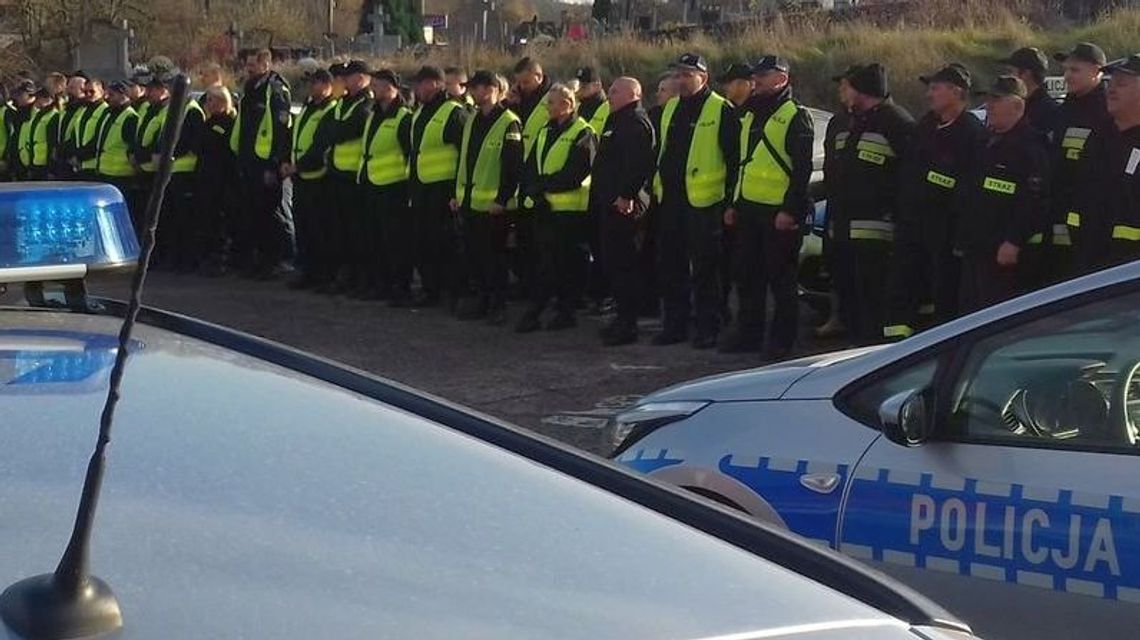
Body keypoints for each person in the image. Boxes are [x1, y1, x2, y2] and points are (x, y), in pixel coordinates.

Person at [719, 56, 814, 359]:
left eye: (764, 75)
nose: (756, 80)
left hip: (777, 214)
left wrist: (790, 210)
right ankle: (749, 334)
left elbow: (802, 170)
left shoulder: (794, 115)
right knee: (747, 277)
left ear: (782, 79)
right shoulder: (750, 113)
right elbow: (744, 163)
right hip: (749, 210)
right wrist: (735, 202)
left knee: (781, 281)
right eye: (755, 75)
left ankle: (782, 341)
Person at [883, 64, 986, 340]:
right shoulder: (925, 126)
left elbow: (967, 185)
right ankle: (895, 343)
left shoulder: (971, 132)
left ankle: (942, 343)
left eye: (935, 88)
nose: (929, 95)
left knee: (945, 289)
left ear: (957, 92)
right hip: (912, 223)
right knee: (902, 285)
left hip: (946, 226)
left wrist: (935, 183)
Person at [652, 53, 740, 349]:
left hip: (706, 203)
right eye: (677, 75)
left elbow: (734, 160)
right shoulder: (671, 108)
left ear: (704, 77)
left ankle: (708, 326)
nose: (680, 80)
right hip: (672, 200)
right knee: (671, 267)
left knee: (705, 270)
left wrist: (730, 202)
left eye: (687, 75)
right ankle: (675, 325)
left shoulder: (720, 109)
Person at [827, 63, 915, 345]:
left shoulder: (896, 123)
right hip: (844, 228)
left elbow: (907, 178)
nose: (842, 91)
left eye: (847, 86)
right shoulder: (851, 121)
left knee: (873, 297)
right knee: (851, 294)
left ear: (863, 91)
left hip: (877, 233)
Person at [957, 76, 1049, 312]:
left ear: (1018, 106)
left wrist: (1014, 241)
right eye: (988, 99)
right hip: (979, 248)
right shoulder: (987, 143)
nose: (989, 105)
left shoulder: (1030, 147)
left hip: (1006, 254)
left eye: (996, 99)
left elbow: (1034, 200)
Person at [515, 83, 597, 332]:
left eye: (551, 103)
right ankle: (545, 310)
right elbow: (530, 166)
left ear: (567, 104)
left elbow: (576, 172)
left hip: (571, 211)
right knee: (547, 263)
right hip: (546, 209)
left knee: (567, 265)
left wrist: (543, 186)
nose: (547, 107)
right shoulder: (544, 132)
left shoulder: (584, 133)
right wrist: (534, 189)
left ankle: (563, 311)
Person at [452, 70, 523, 324]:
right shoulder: (472, 119)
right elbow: (465, 159)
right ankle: (482, 300)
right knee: (475, 257)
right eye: (472, 88)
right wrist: (456, 193)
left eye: (479, 87)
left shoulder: (509, 122)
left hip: (493, 205)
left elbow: (513, 166)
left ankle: (498, 305)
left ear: (493, 89)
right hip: (470, 201)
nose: (474, 92)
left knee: (495, 258)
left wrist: (502, 199)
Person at [594, 77, 655, 346]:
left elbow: (639, 163)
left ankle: (628, 324)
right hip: (609, 203)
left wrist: (626, 194)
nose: (609, 95)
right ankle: (620, 318)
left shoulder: (635, 122)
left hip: (624, 205)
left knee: (625, 265)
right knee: (613, 264)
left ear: (632, 93)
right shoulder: (616, 119)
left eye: (615, 91)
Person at [230, 48, 294, 279]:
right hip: (249, 160)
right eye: (247, 65)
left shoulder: (275, 90)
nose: (248, 69)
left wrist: (274, 163)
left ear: (265, 64)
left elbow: (281, 130)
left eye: (253, 65)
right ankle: (256, 260)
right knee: (252, 212)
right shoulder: (251, 89)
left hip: (266, 162)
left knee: (270, 214)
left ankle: (276, 260)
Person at [1052, 42, 1113, 279]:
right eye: (1066, 70)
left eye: (1075, 70)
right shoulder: (1064, 110)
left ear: (1097, 70)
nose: (1067, 76)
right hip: (1060, 216)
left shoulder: (1106, 112)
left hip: (1090, 224)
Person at [408, 65, 468, 308]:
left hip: (444, 190)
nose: (417, 89)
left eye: (421, 84)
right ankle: (430, 289)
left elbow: (465, 154)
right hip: (422, 189)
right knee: (424, 242)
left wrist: (457, 191)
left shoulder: (453, 112)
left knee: (446, 244)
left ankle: (452, 291)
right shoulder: (421, 112)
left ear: (434, 84)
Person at [136, 72, 206, 271]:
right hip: (169, 172)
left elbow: (192, 142)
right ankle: (172, 257)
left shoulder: (192, 110)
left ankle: (186, 260)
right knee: (169, 219)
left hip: (184, 171)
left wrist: (169, 154)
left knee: (184, 219)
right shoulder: (172, 110)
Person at [316, 60, 373, 294]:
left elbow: (349, 129)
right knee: (339, 231)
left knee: (357, 232)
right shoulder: (343, 104)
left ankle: (359, 278)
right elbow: (325, 131)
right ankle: (343, 275)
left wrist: (336, 131)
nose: (343, 81)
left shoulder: (367, 103)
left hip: (354, 177)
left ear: (360, 78)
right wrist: (336, 131)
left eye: (347, 77)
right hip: (337, 174)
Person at [355, 68, 412, 301]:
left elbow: (410, 154)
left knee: (395, 242)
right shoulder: (374, 114)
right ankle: (380, 283)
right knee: (375, 239)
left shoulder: (403, 117)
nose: (373, 90)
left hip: (394, 187)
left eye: (377, 85)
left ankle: (400, 286)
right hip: (372, 184)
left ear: (391, 87)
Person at [814, 65, 861, 340]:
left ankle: (852, 322)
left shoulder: (882, 121)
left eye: (845, 86)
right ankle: (837, 316)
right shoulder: (839, 121)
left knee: (857, 271)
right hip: (836, 204)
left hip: (859, 211)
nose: (840, 91)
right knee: (835, 265)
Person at [283, 68, 340, 289]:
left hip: (318, 177)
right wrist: (286, 161)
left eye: (315, 83)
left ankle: (323, 274)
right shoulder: (308, 109)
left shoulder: (330, 111)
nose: (310, 87)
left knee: (320, 230)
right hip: (301, 177)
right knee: (304, 228)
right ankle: (308, 272)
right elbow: (295, 137)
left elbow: (320, 146)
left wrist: (298, 166)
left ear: (327, 85)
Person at [509, 57, 554, 298]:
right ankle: (526, 283)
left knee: (540, 241)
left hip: (542, 176)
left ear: (538, 76)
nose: (522, 86)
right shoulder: (523, 99)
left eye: (526, 82)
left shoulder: (552, 99)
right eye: (519, 83)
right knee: (524, 237)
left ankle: (540, 287)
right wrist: (514, 103)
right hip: (523, 176)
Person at [1098, 54, 1140, 266]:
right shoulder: (1099, 138)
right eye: (1110, 84)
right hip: (1089, 261)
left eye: (1121, 84)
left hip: (1129, 272)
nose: (1111, 90)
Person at [197, 85, 239, 276]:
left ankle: (223, 259)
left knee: (223, 220)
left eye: (212, 100)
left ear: (223, 102)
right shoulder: (208, 122)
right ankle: (210, 256)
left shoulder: (230, 122)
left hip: (224, 179)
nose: (208, 104)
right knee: (208, 219)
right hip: (206, 177)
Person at [89, 81, 140, 228]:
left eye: (112, 95)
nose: (108, 97)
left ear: (123, 95)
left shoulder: (130, 117)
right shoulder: (108, 115)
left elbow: (132, 148)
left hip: (121, 176)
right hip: (104, 173)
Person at [999, 47, 1060, 135]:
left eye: (1011, 72)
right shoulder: (1013, 105)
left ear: (1026, 74)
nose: (1008, 77)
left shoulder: (1049, 111)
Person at [71, 79, 108, 180]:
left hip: (95, 165)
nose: (88, 94)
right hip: (80, 165)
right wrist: (74, 154)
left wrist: (80, 155)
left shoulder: (105, 111)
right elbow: (76, 133)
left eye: (92, 91)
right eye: (85, 92)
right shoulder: (84, 110)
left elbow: (100, 138)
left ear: (101, 92)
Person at [23, 86, 61, 180]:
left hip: (46, 164)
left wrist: (51, 167)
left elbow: (53, 142)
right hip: (35, 161)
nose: (37, 101)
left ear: (49, 99)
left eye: (40, 98)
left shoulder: (54, 116)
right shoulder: (38, 115)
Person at [57, 71, 89, 179]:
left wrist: (73, 154)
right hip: (63, 157)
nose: (67, 91)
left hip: (75, 158)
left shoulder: (84, 109)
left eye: (71, 88)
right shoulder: (67, 109)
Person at [5, 80, 35, 181]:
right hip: (17, 157)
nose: (16, 97)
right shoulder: (17, 111)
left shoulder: (34, 112)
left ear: (29, 94)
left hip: (29, 160)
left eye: (20, 94)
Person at [576, 66, 609, 132]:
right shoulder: (579, 106)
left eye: (584, 85)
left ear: (597, 85)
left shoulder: (607, 107)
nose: (580, 87)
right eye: (579, 84)